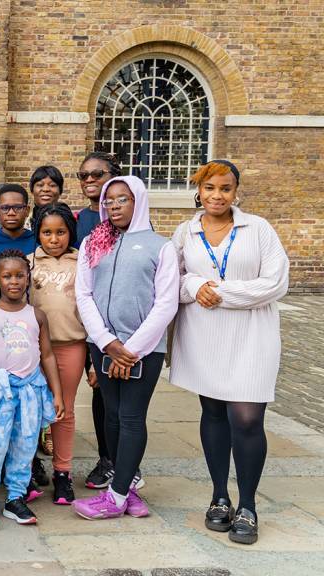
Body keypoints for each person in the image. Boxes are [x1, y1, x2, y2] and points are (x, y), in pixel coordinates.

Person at [169, 160, 289, 545]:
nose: (216, 196)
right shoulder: (185, 231)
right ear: (199, 192)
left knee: (248, 419)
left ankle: (249, 504)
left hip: (253, 335)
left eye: (225, 188)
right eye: (209, 188)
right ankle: (220, 496)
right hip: (206, 335)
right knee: (215, 413)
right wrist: (194, 285)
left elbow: (274, 283)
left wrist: (218, 292)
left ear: (236, 192)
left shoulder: (258, 229)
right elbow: (173, 279)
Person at [72, 175, 179, 521]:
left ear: (139, 201)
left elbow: (166, 304)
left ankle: (115, 498)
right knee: (112, 416)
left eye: (123, 200)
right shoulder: (93, 242)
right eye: (109, 200)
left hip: (143, 350)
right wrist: (107, 343)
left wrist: (130, 349)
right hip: (102, 344)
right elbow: (83, 294)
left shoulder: (159, 246)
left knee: (132, 417)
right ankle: (126, 485)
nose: (114, 206)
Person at [0, 249, 64, 530]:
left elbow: (47, 355)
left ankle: (15, 498)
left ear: (28, 278)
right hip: (0, 393)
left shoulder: (37, 315)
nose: (14, 281)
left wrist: (56, 393)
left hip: (31, 390)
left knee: (25, 445)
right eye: (7, 276)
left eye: (20, 275)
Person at [27, 202, 86, 505]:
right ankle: (26, 469)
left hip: (70, 345)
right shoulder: (29, 263)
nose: (53, 239)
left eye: (60, 232)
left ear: (70, 233)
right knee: (30, 410)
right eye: (47, 232)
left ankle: (62, 473)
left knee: (63, 410)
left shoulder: (82, 263)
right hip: (32, 349)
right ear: (38, 233)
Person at [73, 151, 122, 490]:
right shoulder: (77, 220)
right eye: (84, 176)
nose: (90, 181)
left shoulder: (128, 220)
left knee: (106, 394)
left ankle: (114, 460)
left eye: (97, 174)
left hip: (110, 323)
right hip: (74, 320)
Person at [28, 165, 64, 230]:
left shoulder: (69, 222)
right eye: (40, 185)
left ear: (60, 191)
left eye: (52, 185)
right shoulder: (23, 224)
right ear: (32, 190)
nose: (46, 189)